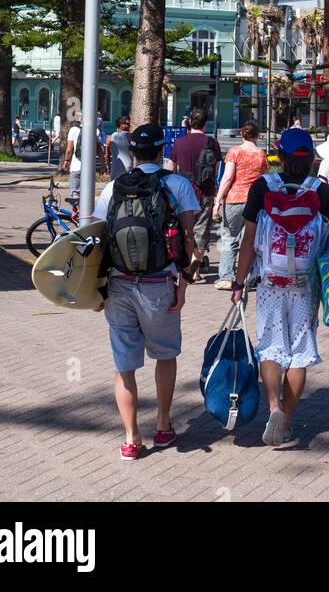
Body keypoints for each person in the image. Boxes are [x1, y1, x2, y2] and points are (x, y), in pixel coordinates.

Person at [93, 123, 199, 460]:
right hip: (159, 285)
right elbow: (188, 242)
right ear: (161, 150)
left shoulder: (113, 188)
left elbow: (97, 238)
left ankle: (130, 438)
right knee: (165, 355)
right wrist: (183, 286)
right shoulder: (177, 185)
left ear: (133, 152)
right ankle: (164, 425)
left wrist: (95, 289)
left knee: (124, 366)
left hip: (119, 285)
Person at [232, 127, 329, 447]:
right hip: (305, 285)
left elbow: (249, 241)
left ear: (279, 157)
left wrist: (238, 283)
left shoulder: (262, 187)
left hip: (270, 282)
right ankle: (287, 423)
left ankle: (274, 408)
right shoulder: (321, 191)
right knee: (299, 352)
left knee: (270, 347)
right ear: (310, 159)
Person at [213, 120, 267, 290]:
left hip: (234, 199)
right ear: (257, 135)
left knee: (230, 238)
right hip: (255, 201)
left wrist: (217, 201)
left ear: (242, 134)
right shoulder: (261, 154)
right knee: (250, 240)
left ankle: (227, 277)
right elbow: (265, 178)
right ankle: (249, 277)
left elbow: (228, 177)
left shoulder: (234, 151)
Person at [169, 107, 220, 283]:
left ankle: (184, 268)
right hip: (205, 192)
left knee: (184, 231)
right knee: (202, 233)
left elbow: (170, 169)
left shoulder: (179, 143)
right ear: (206, 124)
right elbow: (215, 170)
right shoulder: (212, 143)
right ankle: (195, 271)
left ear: (190, 123)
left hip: (183, 193)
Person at [106, 114, 132, 180]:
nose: (129, 125)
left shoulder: (109, 138)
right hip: (128, 168)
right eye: (126, 124)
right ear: (120, 124)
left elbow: (107, 155)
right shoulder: (130, 136)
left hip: (115, 168)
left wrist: (108, 167)